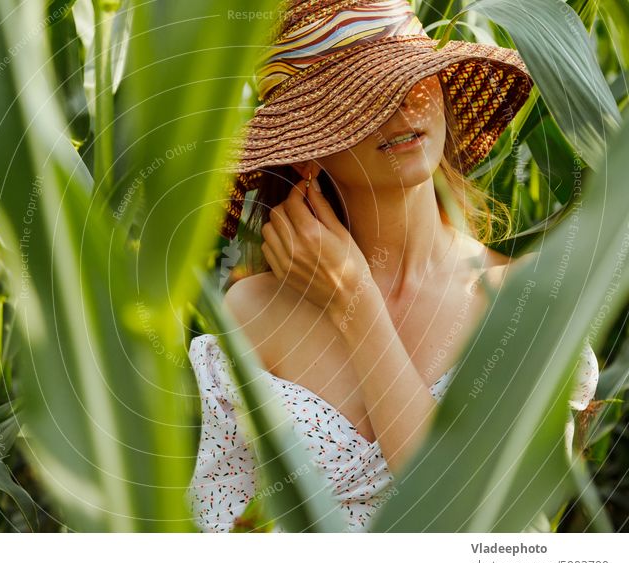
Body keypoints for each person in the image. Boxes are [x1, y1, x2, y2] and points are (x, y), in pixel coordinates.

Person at [186, 0, 599, 533]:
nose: (403, 107)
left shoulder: (525, 300)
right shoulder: (253, 312)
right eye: (360, 98)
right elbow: (216, 528)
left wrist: (355, 304)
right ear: (305, 150)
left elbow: (475, 524)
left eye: (413, 76)